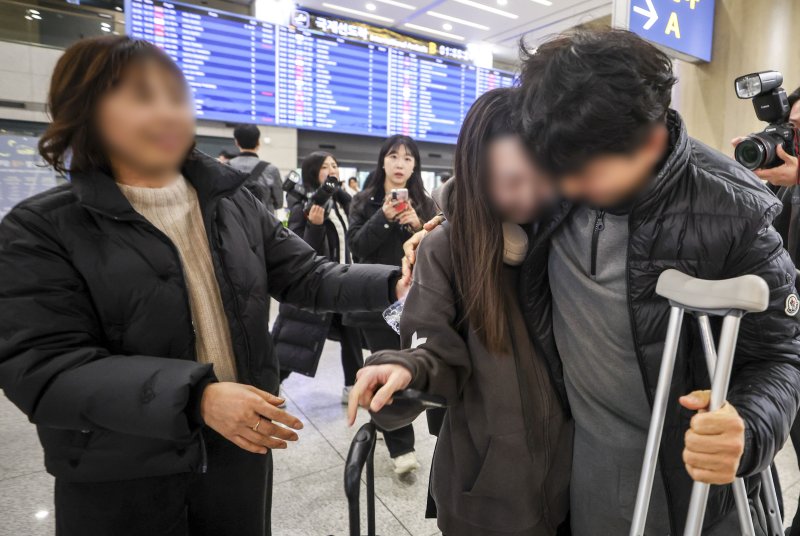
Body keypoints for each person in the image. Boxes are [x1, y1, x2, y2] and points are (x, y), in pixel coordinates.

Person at [0, 36, 407, 536]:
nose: (169, 112)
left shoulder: (231, 203)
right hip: (122, 475)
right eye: (142, 96)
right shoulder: (42, 229)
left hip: (240, 453)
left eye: (177, 95)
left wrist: (397, 282)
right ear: (84, 112)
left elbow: (308, 275)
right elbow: (43, 368)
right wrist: (197, 398)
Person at [405, 29, 800, 535]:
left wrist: (748, 426)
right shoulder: (559, 172)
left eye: (587, 172)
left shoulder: (735, 215)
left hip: (690, 491)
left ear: (651, 140)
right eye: (556, 167)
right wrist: (451, 223)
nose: (565, 187)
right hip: (580, 484)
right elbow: (490, 186)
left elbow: (782, 355)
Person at [348, 89, 572, 535]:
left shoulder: (566, 233)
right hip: (488, 494)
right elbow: (433, 346)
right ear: (475, 174)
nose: (527, 194)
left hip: (572, 482)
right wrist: (403, 368)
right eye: (510, 180)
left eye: (537, 176)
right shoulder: (444, 248)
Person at [346, 135, 437, 474]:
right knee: (387, 365)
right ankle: (403, 448)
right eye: (394, 157)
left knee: (411, 367)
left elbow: (438, 252)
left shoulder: (426, 204)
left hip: (416, 304)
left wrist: (417, 226)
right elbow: (357, 247)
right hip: (376, 302)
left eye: (408, 158)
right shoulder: (364, 200)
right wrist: (383, 218)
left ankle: (393, 424)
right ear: (383, 161)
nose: (400, 164)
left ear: (415, 166)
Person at [272, 152, 365, 403]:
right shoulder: (302, 203)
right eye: (325, 166)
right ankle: (271, 383)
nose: (332, 169)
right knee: (297, 337)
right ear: (313, 173)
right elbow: (300, 250)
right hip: (318, 282)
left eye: (335, 164)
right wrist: (315, 225)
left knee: (351, 336)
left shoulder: (344, 202)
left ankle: (351, 387)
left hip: (346, 279)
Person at [228, 123, 283, 212]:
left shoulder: (226, 167)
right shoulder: (271, 170)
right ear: (258, 142)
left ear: (236, 142)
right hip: (263, 223)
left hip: (233, 223)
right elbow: (279, 203)